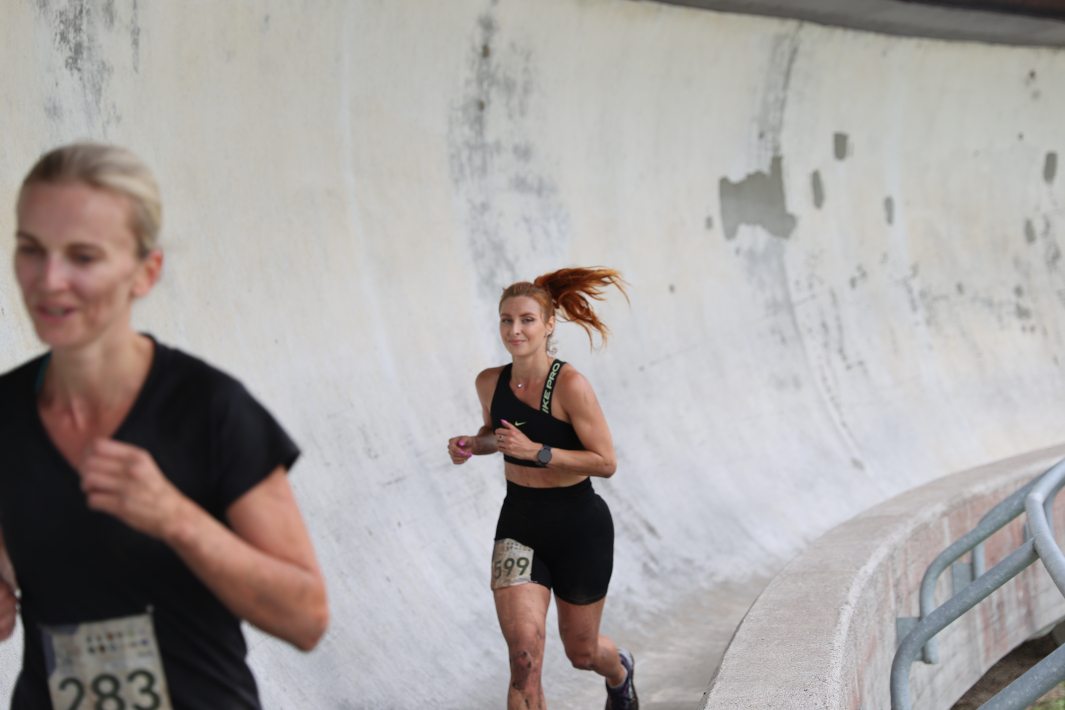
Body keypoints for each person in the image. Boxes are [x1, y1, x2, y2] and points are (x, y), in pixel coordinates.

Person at [0, 143, 328, 709]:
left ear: (145, 272)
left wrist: (176, 518)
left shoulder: (209, 408)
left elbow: (306, 618)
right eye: (32, 249)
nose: (49, 280)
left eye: (83, 257)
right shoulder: (6, 412)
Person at [447, 268, 638, 710]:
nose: (515, 330)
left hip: (579, 528)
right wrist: (474, 444)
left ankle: (620, 672)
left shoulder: (571, 385)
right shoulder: (489, 382)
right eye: (506, 320)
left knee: (583, 653)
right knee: (524, 661)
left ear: (549, 325)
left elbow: (605, 462)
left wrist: (539, 452)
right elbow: (497, 435)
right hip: (520, 526)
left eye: (527, 320)